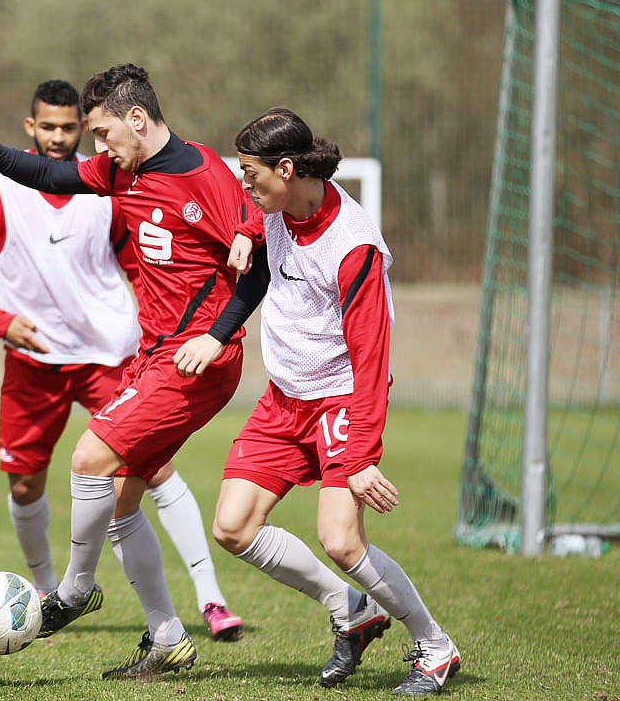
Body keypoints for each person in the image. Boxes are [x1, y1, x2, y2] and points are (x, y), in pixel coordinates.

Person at [0, 64, 252, 678]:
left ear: (136, 119)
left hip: (192, 360)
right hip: (151, 356)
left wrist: (219, 325)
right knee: (119, 498)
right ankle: (168, 638)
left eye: (103, 133)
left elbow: (257, 253)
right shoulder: (119, 171)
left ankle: (78, 590)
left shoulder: (204, 172)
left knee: (90, 460)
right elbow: (48, 173)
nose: (96, 147)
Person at [173, 108, 461, 695]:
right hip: (284, 401)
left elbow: (372, 358)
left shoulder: (354, 246)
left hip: (339, 403)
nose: (244, 184)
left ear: (286, 168)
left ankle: (435, 646)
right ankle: (352, 611)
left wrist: (360, 454)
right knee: (232, 526)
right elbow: (258, 271)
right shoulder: (276, 211)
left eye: (250, 172)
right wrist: (220, 325)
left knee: (341, 540)